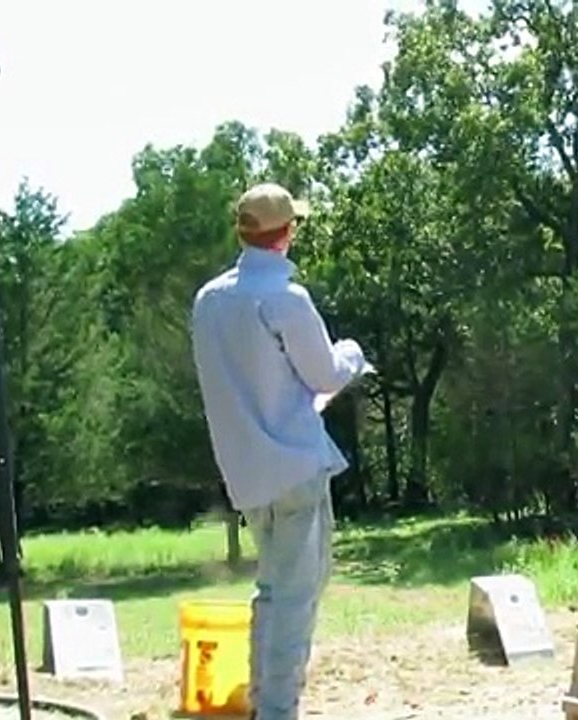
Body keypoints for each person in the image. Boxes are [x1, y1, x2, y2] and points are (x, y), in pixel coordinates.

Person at [191, 182, 371, 720]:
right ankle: (276, 710)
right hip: (294, 464)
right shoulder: (284, 298)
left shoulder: (209, 300)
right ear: (287, 233)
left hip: (246, 472)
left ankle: (262, 703)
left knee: (272, 592)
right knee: (296, 597)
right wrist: (353, 355)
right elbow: (324, 374)